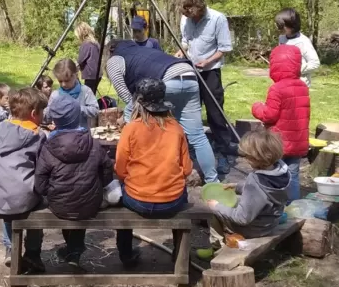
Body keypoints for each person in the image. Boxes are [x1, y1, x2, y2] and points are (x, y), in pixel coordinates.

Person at [106, 40, 218, 184]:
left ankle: (135, 163)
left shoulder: (114, 60)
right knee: (198, 136)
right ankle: (213, 182)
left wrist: (128, 119)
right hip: (189, 75)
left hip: (166, 80)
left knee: (131, 120)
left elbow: (126, 96)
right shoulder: (142, 51)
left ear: (110, 51)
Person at [114, 79, 194, 267]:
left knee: (118, 200)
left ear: (139, 103)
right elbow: (187, 169)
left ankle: (126, 255)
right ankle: (179, 255)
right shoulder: (176, 128)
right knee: (183, 193)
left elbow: (119, 169)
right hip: (172, 201)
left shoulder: (131, 128)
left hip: (137, 200)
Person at [35, 97, 113, 267]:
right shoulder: (92, 142)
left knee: (72, 200)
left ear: (54, 120)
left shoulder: (48, 145)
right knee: (81, 198)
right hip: (90, 202)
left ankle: (73, 249)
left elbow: (40, 183)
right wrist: (98, 183)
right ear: (78, 116)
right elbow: (108, 170)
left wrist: (53, 190)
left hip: (59, 204)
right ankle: (74, 250)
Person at [0, 88, 48, 272]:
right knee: (36, 202)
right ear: (35, 114)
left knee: (8, 200)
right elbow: (42, 169)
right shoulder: (37, 136)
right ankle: (33, 253)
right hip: (22, 198)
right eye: (42, 112)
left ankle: (10, 248)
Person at [199, 130, 290, 259]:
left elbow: (242, 218)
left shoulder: (256, 182)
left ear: (256, 158)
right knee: (234, 200)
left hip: (256, 229)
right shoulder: (281, 170)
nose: (244, 158)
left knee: (211, 210)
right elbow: (263, 194)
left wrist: (216, 206)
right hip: (270, 220)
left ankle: (216, 247)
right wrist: (237, 186)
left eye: (246, 156)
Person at [175, 0, 236, 173]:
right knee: (188, 111)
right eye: (184, 14)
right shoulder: (185, 19)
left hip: (210, 71)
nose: (187, 17)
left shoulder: (217, 19)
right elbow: (186, 42)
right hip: (189, 70)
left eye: (189, 13)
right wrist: (181, 52)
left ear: (198, 7)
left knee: (215, 113)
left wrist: (208, 61)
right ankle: (190, 152)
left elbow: (224, 48)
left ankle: (223, 152)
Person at [251, 44, 310, 202]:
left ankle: (273, 205)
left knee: (275, 175)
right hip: (298, 142)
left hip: (279, 143)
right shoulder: (303, 87)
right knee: (294, 176)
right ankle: (294, 208)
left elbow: (269, 115)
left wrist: (257, 107)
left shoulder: (276, 89)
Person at [46, 59, 99, 129]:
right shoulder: (55, 95)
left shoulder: (85, 91)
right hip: (62, 134)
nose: (63, 84)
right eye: (60, 81)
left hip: (81, 134)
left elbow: (95, 111)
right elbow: (47, 115)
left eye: (67, 81)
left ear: (75, 75)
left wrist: (78, 108)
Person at [275, 8, 320, 88]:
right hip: (283, 83)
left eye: (282, 26)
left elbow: (315, 63)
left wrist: (296, 70)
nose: (279, 28)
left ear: (292, 25)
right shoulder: (281, 38)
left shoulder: (303, 41)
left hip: (299, 86)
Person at [74, 22, 103, 94]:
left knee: (87, 96)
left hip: (90, 75)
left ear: (80, 33)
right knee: (92, 94)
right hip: (98, 74)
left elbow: (80, 60)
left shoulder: (86, 44)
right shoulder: (95, 43)